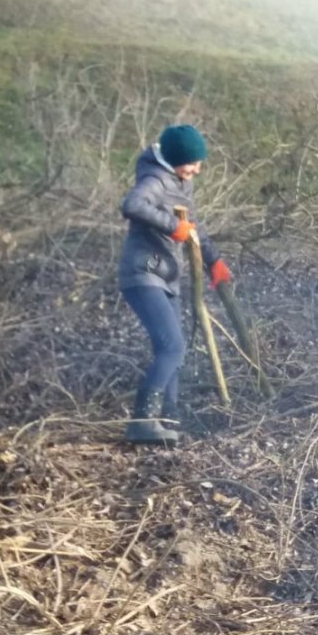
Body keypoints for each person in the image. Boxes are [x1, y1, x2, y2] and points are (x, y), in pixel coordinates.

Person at [118, 124, 231, 446]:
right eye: (191, 162)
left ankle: (167, 419)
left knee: (171, 350)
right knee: (173, 347)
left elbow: (192, 226)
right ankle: (142, 421)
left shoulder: (180, 182)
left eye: (199, 162)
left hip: (167, 277)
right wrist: (173, 227)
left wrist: (214, 260)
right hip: (144, 274)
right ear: (173, 159)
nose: (196, 169)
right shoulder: (155, 179)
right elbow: (133, 205)